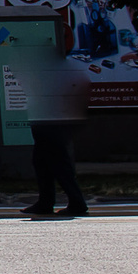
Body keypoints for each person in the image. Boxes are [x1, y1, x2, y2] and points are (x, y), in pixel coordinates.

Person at [25, 55, 90, 218]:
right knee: (42, 164)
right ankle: (45, 202)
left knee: (59, 164)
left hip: (52, 124)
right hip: (46, 123)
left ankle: (76, 202)